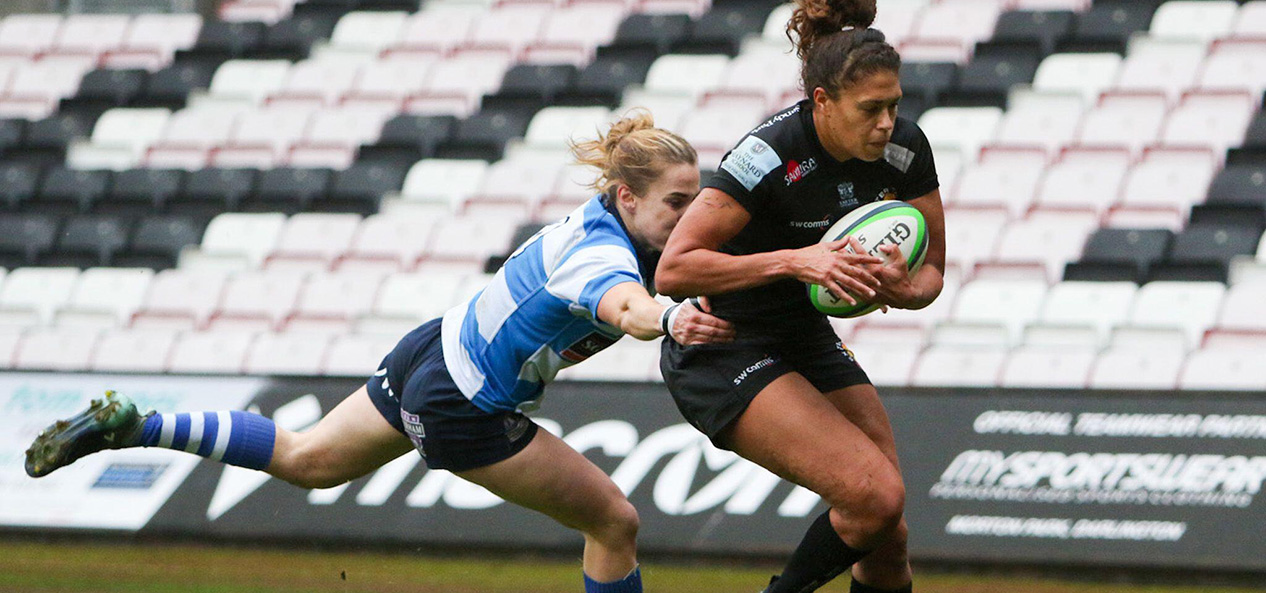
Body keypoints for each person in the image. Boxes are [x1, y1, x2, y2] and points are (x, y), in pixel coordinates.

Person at [24, 112, 734, 593]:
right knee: (615, 520)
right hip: (467, 403)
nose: (688, 215)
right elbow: (628, 307)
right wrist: (667, 319)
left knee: (309, 461)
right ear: (626, 196)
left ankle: (138, 425)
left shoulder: (605, 222)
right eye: (677, 202)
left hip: (436, 345)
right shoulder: (603, 258)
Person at [654, 0, 946, 591]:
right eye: (870, 109)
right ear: (822, 103)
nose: (887, 122)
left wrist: (904, 287)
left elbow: (933, 271)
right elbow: (674, 269)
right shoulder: (767, 154)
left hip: (803, 336)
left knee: (887, 531)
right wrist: (797, 260)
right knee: (875, 495)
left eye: (893, 105)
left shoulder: (906, 149)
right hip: (726, 345)